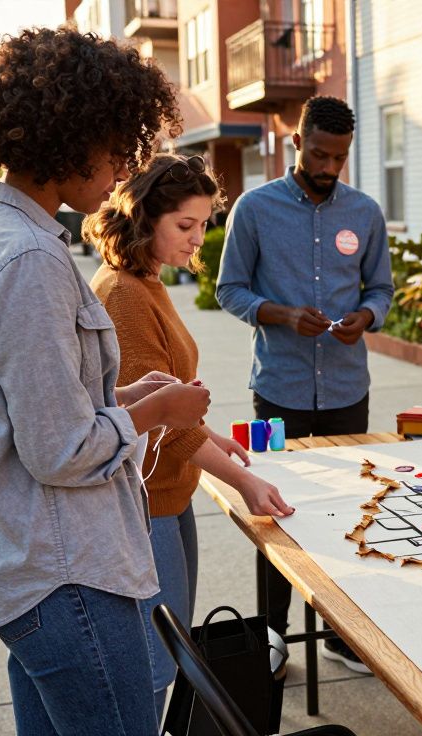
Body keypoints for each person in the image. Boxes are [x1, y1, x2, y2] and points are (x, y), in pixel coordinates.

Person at [0, 26, 210, 734]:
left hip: (33, 570)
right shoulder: (25, 258)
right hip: (66, 575)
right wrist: (157, 414)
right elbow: (59, 449)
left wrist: (128, 398)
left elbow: (32, 408)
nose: (124, 169)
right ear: (69, 134)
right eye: (118, 146)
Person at [86, 153, 296, 723]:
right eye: (186, 225)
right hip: (144, 501)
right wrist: (245, 481)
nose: (198, 238)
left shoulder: (146, 280)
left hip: (171, 493)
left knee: (174, 653)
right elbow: (159, 423)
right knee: (158, 662)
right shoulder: (125, 293)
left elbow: (170, 400)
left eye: (204, 224)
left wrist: (212, 438)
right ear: (144, 217)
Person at [217, 95, 393, 674]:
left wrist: (365, 319)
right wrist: (282, 314)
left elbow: (380, 291)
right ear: (297, 142)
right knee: (278, 514)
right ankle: (272, 635)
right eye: (319, 153)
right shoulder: (254, 208)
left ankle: (345, 632)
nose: (328, 166)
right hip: (281, 390)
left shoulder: (365, 212)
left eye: (339, 158)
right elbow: (230, 290)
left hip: (347, 389)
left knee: (350, 513)